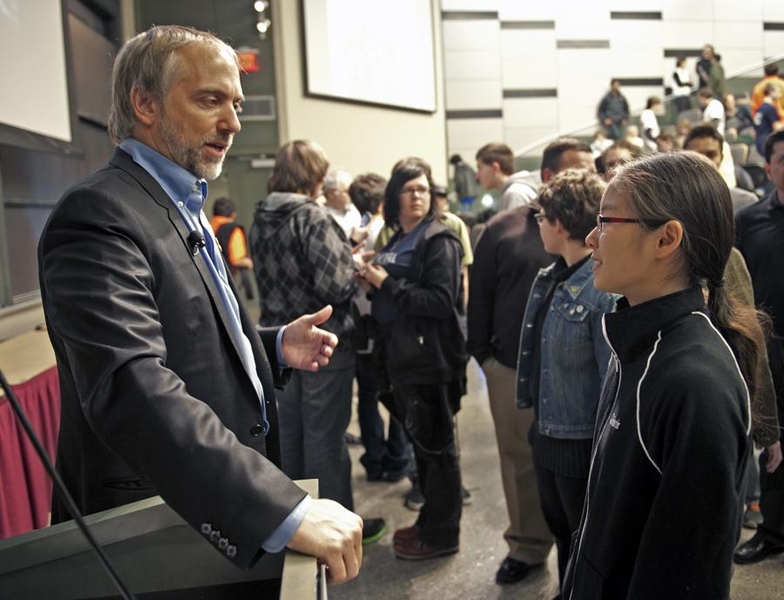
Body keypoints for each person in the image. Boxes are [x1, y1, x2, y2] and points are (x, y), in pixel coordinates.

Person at [37, 25, 362, 584]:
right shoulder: (98, 214)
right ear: (145, 103)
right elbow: (133, 386)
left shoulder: (177, 199)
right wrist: (279, 507)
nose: (234, 123)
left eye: (235, 103)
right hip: (157, 533)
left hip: (201, 518)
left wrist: (274, 345)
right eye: (210, 100)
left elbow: (184, 332)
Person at [563, 151, 765, 599]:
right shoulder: (635, 337)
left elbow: (688, 577)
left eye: (606, 221)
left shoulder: (694, 384)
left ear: (666, 239)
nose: (592, 238)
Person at [468, 138, 595, 585]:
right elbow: (479, 297)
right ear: (547, 177)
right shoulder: (502, 229)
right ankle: (527, 546)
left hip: (576, 379)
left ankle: (581, 564)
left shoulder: (601, 236)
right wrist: (484, 357)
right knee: (521, 461)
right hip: (511, 368)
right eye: (579, 168)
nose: (591, 175)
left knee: (576, 475)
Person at [249, 140, 387, 545]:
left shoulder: (260, 217)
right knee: (326, 440)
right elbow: (336, 284)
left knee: (290, 441)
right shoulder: (313, 217)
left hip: (279, 345)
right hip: (325, 345)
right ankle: (340, 535)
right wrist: (354, 263)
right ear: (313, 176)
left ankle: (298, 533)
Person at [358, 157, 468, 561]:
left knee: (438, 452)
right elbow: (391, 289)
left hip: (430, 361)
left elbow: (441, 302)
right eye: (409, 189)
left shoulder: (439, 240)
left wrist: (387, 282)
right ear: (394, 197)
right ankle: (429, 522)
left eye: (423, 188)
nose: (418, 195)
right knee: (423, 450)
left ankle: (443, 535)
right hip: (401, 358)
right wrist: (371, 282)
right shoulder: (396, 238)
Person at [516, 169, 616, 593]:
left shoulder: (600, 289)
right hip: (549, 434)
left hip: (581, 444)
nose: (538, 226)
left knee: (586, 545)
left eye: (541, 218)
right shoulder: (552, 275)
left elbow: (612, 384)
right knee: (562, 535)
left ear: (559, 223)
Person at [733, 129, 784, 566]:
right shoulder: (750, 220)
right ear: (768, 167)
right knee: (771, 437)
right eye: (782, 159)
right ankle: (773, 528)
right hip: (771, 349)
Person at [347, 172, 410, 483]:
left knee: (370, 396)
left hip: (363, 321)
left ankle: (375, 459)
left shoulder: (355, 232)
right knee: (393, 391)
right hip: (383, 322)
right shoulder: (386, 231)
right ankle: (397, 458)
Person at [682, 123, 758, 213]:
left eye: (711, 155)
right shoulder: (672, 205)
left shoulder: (746, 203)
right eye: (696, 156)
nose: (704, 161)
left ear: (721, 157)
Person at [210, 196, 255, 300]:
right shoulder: (233, 229)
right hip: (225, 282)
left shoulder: (206, 226)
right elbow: (237, 260)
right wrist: (248, 262)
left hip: (209, 281)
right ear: (233, 214)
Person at [475, 142, 538, 213]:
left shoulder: (514, 194)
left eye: (480, 168)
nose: (477, 175)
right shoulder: (517, 190)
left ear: (495, 167)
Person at [323, 168, 363, 243]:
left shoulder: (353, 210)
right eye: (347, 191)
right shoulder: (322, 217)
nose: (352, 195)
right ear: (331, 194)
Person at [752, 83, 784, 157]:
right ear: (771, 92)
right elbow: (777, 127)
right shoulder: (769, 108)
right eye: (779, 92)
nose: (781, 95)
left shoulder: (761, 108)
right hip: (767, 141)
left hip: (759, 141)